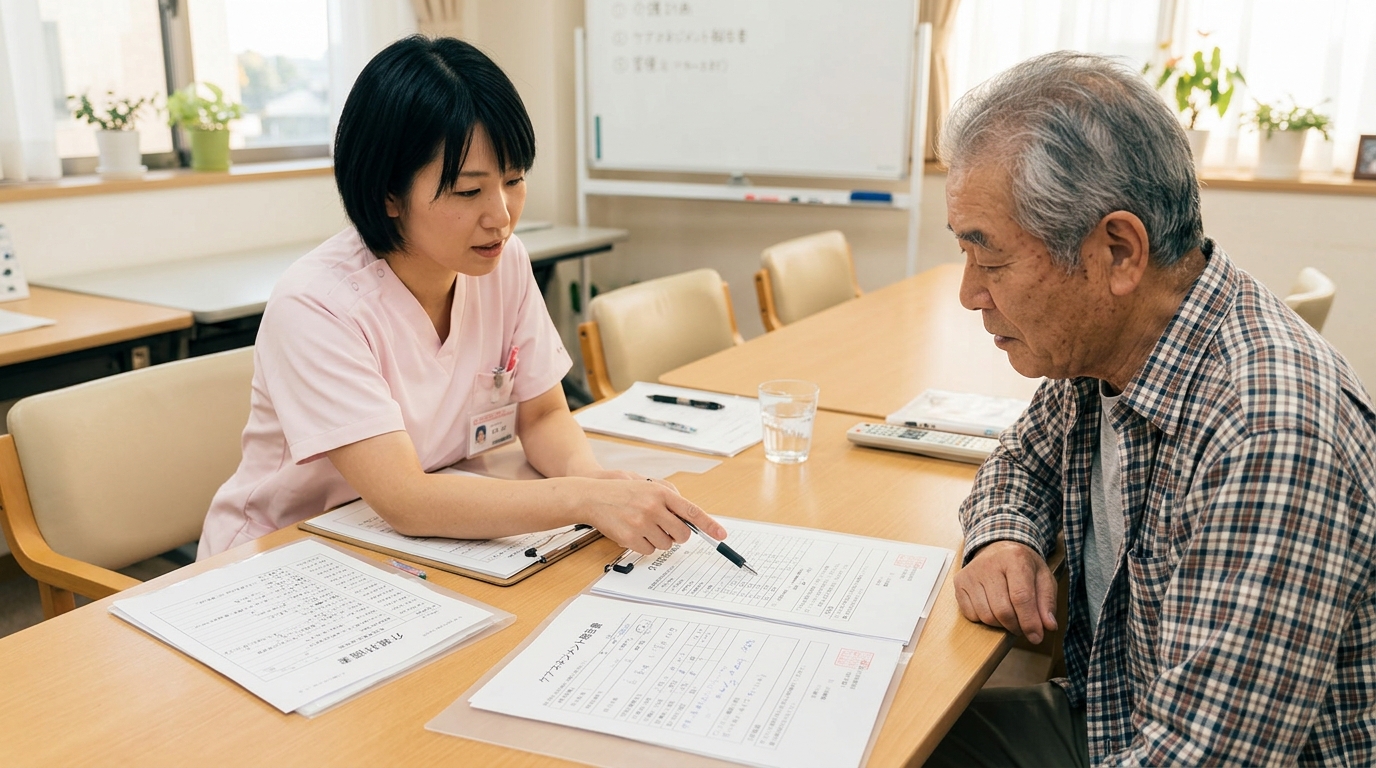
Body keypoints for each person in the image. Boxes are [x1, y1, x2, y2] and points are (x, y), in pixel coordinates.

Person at [926, 51, 1376, 766]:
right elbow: (1020, 460)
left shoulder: (1269, 436)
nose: (970, 294)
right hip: (1113, 712)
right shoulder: (1118, 343)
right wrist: (1003, 537)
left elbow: (1203, 759)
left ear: (1118, 250)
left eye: (992, 260)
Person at [198, 37, 725, 560]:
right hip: (282, 556)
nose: (501, 215)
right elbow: (406, 499)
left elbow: (540, 416)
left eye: (514, 179)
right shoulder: (317, 306)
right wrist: (583, 499)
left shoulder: (502, 261)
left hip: (415, 543)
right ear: (388, 193)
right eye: (469, 191)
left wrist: (593, 479)